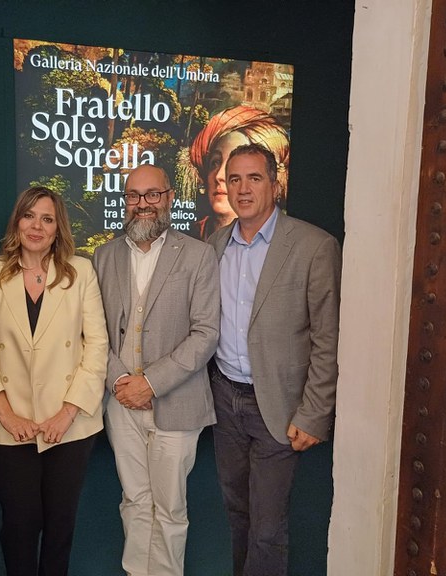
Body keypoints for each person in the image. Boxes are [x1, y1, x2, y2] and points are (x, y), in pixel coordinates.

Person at [207, 143, 341, 576]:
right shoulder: (215, 245)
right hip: (225, 399)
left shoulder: (313, 246)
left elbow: (328, 337)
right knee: (237, 512)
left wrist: (315, 412)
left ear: (275, 185)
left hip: (279, 405)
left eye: (254, 178)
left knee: (266, 527)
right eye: (234, 179)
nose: (243, 189)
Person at [0, 186, 108, 576]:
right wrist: (8, 417)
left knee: (60, 527)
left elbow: (97, 347)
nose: (37, 226)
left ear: (58, 228)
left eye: (47, 219)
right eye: (29, 216)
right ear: (17, 221)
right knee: (19, 526)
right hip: (9, 425)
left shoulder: (80, 272)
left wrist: (66, 414)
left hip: (69, 425)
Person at [93, 164, 220, 576]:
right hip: (120, 404)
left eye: (152, 194)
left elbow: (205, 334)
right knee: (134, 500)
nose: (142, 204)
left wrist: (150, 383)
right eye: (133, 195)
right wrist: (119, 381)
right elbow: (94, 331)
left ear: (169, 198)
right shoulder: (104, 256)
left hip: (178, 404)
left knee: (169, 508)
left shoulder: (198, 255)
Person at [190, 105, 290, 240]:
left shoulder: (305, 243)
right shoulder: (190, 237)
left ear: (274, 187)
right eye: (215, 162)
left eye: (253, 177)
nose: (219, 176)